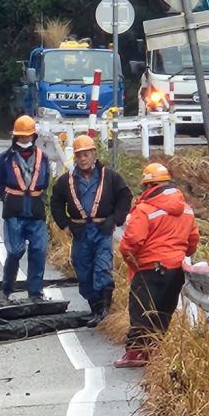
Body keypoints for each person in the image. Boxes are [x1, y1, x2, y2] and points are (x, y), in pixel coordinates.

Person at [115, 163, 200, 368]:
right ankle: (154, 349)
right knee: (164, 311)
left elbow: (132, 241)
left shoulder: (144, 210)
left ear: (149, 185)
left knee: (141, 311)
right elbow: (193, 241)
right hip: (176, 270)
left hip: (149, 268)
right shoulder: (186, 210)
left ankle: (136, 353)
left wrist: (127, 254)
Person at [50, 135, 132, 327]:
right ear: (76, 158)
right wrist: (66, 224)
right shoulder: (66, 181)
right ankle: (94, 308)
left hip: (102, 230)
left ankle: (104, 310)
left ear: (94, 154)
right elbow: (55, 202)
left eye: (86, 154)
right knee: (83, 270)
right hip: (80, 232)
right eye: (79, 156)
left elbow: (125, 196)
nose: (83, 159)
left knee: (102, 268)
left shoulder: (109, 176)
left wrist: (115, 219)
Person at [0, 115, 51, 302]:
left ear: (33, 136)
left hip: (36, 210)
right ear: (15, 137)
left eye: (27, 136)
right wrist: (9, 199)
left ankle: (35, 292)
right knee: (15, 251)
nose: (24, 140)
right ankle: (6, 289)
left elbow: (46, 182)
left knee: (38, 250)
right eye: (21, 137)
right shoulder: (4, 158)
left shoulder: (43, 158)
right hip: (14, 212)